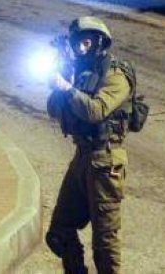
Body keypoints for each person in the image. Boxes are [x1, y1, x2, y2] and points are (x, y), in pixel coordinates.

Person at [45, 17, 135, 274]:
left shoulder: (116, 74)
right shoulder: (80, 74)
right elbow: (53, 110)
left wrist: (68, 89)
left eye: (86, 42)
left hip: (106, 162)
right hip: (82, 157)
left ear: (99, 42)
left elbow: (96, 111)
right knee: (60, 231)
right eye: (77, 43)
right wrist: (61, 84)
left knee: (104, 241)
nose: (80, 47)